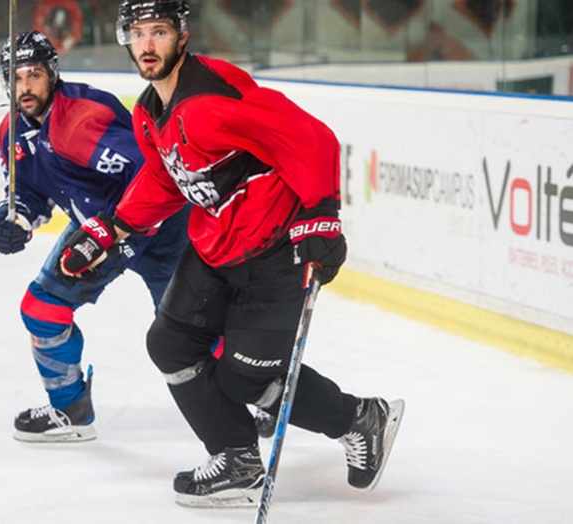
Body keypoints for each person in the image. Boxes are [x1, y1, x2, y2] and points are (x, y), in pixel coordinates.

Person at [56, 0, 405, 507]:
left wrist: (323, 213)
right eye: (138, 33)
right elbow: (164, 177)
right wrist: (116, 227)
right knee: (170, 346)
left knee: (247, 379)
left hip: (272, 250)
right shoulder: (149, 110)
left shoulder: (212, 101)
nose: (148, 44)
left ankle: (359, 418)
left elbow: (313, 140)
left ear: (182, 35)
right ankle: (236, 458)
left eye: (158, 31)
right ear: (124, 39)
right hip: (214, 247)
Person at [0, 30, 190, 443]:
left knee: (187, 334)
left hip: (163, 229)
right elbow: (28, 191)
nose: (25, 87)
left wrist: (119, 229)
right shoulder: (12, 131)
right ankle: (71, 410)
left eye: (34, 75)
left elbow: (154, 171)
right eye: (16, 77)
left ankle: (250, 401)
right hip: (95, 229)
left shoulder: (81, 121)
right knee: (42, 309)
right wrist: (15, 217)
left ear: (53, 74)